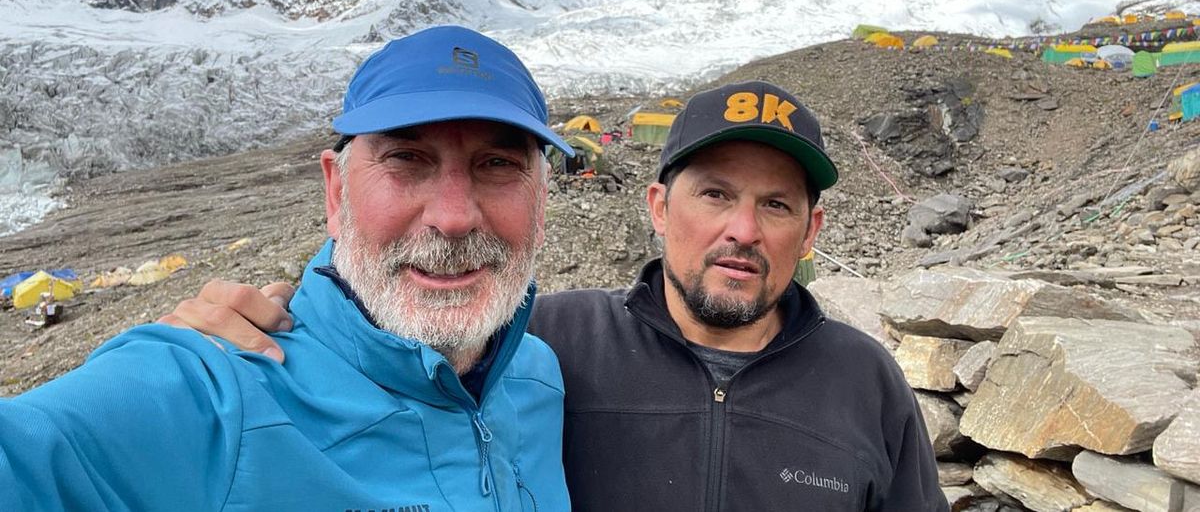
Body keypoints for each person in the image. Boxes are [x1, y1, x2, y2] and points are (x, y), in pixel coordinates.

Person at [170, 80, 949, 511]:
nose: (741, 229)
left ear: (811, 230)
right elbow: (388, 341)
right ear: (656, 207)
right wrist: (244, 328)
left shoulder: (864, 380)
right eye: (713, 194)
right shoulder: (542, 341)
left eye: (775, 205)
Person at [0, 26, 572, 511]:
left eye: (497, 164)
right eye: (406, 159)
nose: (452, 218)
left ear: (541, 207)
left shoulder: (538, 376)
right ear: (335, 191)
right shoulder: (216, 392)